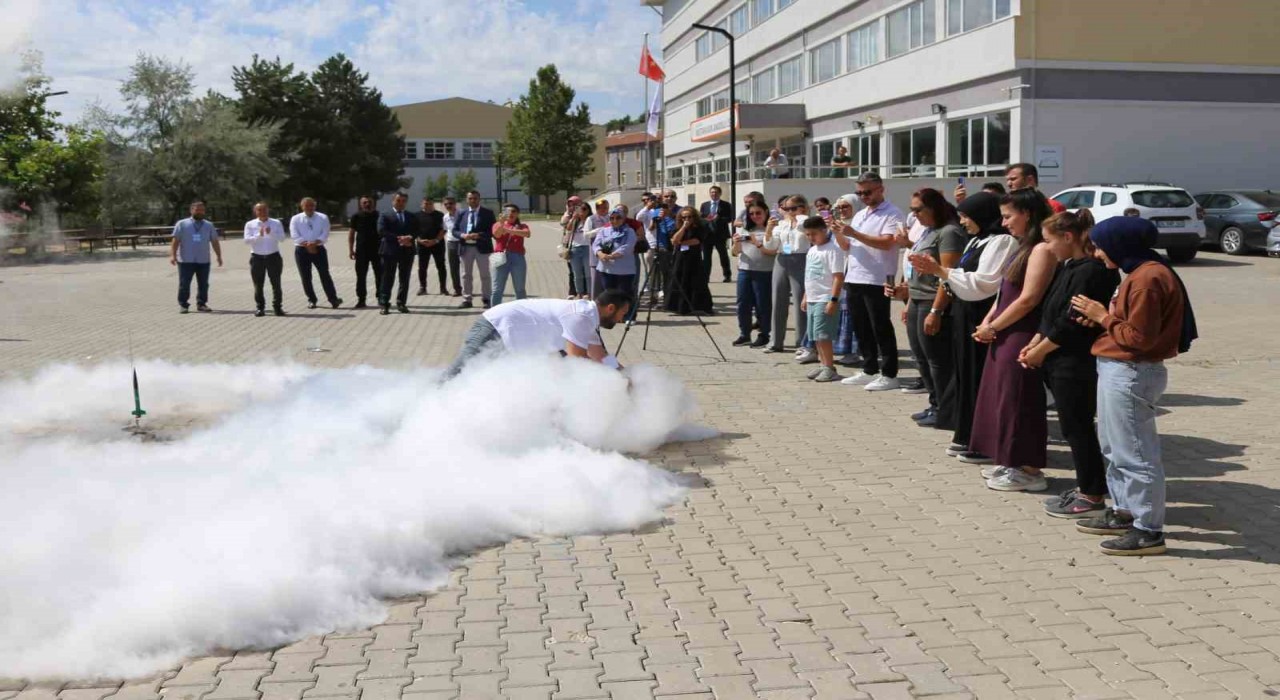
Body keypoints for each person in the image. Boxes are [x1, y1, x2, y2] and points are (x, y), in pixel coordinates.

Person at [1069, 216, 1197, 556]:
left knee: (1136, 454)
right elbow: (1130, 328)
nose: (1097, 254)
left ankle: (1148, 529)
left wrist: (1102, 317)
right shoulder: (1140, 273)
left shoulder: (1148, 278)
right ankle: (1125, 512)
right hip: (1119, 368)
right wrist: (1104, 322)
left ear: (1119, 244)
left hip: (1131, 371)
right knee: (1114, 447)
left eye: (1100, 246)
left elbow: (1140, 339)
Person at [1018, 210, 1120, 518]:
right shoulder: (1069, 267)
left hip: (1075, 361)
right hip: (1057, 357)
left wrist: (1042, 350)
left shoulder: (1091, 271)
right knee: (1070, 426)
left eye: (1049, 241)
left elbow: (1074, 322)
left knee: (1078, 428)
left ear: (1068, 237)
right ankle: (1086, 487)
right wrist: (1036, 341)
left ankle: (1091, 494)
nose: (1047, 248)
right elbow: (1052, 313)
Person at [910, 192, 1017, 465]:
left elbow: (985, 283)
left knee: (979, 378)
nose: (963, 222)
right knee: (966, 377)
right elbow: (961, 278)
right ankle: (968, 433)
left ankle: (984, 440)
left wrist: (941, 271)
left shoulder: (1001, 242)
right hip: (964, 314)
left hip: (982, 316)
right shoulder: (977, 240)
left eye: (966, 217)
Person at [964, 189, 1057, 492]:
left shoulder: (1041, 250)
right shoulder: (1021, 247)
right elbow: (1005, 294)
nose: (1004, 223)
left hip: (1021, 333)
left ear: (1027, 214)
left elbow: (1029, 299)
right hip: (1005, 331)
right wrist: (988, 321)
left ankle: (1029, 469)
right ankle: (1009, 460)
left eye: (1008, 216)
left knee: (1019, 400)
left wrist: (995, 326)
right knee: (1001, 399)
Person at [886, 189, 964, 427]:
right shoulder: (928, 232)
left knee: (938, 360)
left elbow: (947, 276)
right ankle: (935, 403)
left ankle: (947, 410)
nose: (915, 214)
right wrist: (905, 292)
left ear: (934, 207)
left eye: (918, 209)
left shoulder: (949, 232)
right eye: (912, 210)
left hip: (933, 301)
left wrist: (936, 311)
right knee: (921, 356)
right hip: (917, 299)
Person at [444, 290, 634, 380]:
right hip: (495, 326)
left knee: (484, 377)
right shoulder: (580, 317)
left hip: (511, 337)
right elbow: (578, 360)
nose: (621, 320)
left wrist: (625, 374)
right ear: (610, 308)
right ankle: (427, 405)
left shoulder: (588, 319)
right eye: (622, 314)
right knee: (459, 371)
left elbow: (600, 356)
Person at [831, 173, 904, 392]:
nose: (864, 196)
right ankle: (869, 368)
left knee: (880, 326)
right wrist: (839, 233)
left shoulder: (893, 213)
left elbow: (887, 243)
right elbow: (848, 246)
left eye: (868, 192)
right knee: (861, 326)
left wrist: (854, 232)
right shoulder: (861, 214)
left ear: (881, 189)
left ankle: (890, 374)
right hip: (855, 276)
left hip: (878, 279)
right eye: (860, 193)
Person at [801, 216, 848, 382]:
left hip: (825, 298)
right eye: (807, 234)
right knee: (815, 335)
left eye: (814, 233)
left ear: (824, 230)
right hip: (813, 297)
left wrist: (833, 300)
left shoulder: (833, 249)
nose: (811, 238)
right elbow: (809, 276)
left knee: (823, 335)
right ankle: (823, 364)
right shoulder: (812, 250)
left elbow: (838, 277)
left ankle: (830, 367)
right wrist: (806, 296)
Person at [762, 195, 810, 356]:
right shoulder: (781, 225)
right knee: (778, 301)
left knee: (800, 303)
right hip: (782, 259)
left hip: (801, 259)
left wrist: (798, 216)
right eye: (786, 208)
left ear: (802, 208)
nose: (789, 211)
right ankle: (775, 341)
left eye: (793, 208)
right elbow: (771, 245)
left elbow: (805, 229)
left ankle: (802, 343)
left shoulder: (807, 221)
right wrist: (768, 229)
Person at [731, 201, 776, 348]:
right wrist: (737, 242)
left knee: (762, 305)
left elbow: (775, 251)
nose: (755, 216)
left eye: (758, 213)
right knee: (743, 304)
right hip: (745, 270)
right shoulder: (745, 229)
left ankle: (764, 335)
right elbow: (735, 252)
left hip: (764, 272)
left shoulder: (773, 229)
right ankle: (745, 334)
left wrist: (757, 243)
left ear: (765, 212)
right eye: (752, 214)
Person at [169, 200, 223, 313]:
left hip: (203, 260)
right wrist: (173, 255)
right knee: (184, 284)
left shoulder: (209, 225)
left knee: (204, 284)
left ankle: (202, 304)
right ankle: (183, 305)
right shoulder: (182, 224)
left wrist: (219, 256)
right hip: (186, 260)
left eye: (202, 210)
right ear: (191, 210)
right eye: (197, 209)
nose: (200, 212)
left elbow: (214, 241)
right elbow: (175, 241)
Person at [289, 198, 343, 310]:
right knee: (306, 276)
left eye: (312, 206)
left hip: (319, 249)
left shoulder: (322, 217)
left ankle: (333, 299)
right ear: (302, 206)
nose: (309, 208)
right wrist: (307, 244)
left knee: (325, 274)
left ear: (315, 206)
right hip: (302, 250)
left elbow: (325, 233)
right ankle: (312, 300)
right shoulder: (295, 219)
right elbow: (294, 234)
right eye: (307, 206)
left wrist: (315, 243)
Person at [956, 163, 1064, 214]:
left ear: (1030, 179)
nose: (1009, 184)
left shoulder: (1053, 206)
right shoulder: (1006, 204)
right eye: (1007, 180)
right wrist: (962, 202)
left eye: (1013, 179)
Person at [666, 207, 714, 315]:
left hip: (694, 258)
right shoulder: (677, 227)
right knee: (679, 280)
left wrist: (681, 242)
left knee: (697, 281)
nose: (686, 219)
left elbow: (696, 241)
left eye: (689, 217)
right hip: (679, 258)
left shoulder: (700, 227)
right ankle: (679, 307)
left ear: (694, 217)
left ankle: (702, 306)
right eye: (684, 217)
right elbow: (674, 240)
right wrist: (683, 228)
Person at [376, 193, 418, 315]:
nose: (401, 203)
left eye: (403, 201)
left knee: (404, 278)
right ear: (393, 201)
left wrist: (410, 237)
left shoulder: (411, 216)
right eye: (398, 200)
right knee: (387, 278)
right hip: (390, 251)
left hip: (407, 250)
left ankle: (401, 303)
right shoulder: (385, 215)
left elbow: (417, 230)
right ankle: (384, 304)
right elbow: (381, 230)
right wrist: (399, 238)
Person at [244, 202, 287, 317]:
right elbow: (247, 241)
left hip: (273, 256)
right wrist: (259, 234)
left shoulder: (276, 223)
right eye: (259, 210)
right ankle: (260, 308)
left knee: (276, 283)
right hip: (257, 257)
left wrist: (271, 233)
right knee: (258, 284)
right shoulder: (250, 224)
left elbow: (282, 238)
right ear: (255, 211)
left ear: (268, 210)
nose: (262, 212)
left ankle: (277, 307)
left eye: (264, 210)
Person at [457, 190, 496, 309]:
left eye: (475, 198)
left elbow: (492, 231)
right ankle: (467, 299)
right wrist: (463, 235)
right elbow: (454, 230)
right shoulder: (461, 213)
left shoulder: (488, 213)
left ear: (479, 199)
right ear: (467, 200)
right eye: (470, 198)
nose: (472, 200)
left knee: (485, 275)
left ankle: (486, 299)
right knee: (466, 275)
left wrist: (479, 235)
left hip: (482, 248)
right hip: (466, 248)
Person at [490, 204, 531, 307]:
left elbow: (526, 234)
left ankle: (522, 312)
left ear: (517, 214)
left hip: (517, 258)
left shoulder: (522, 226)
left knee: (520, 289)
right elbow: (497, 234)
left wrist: (508, 230)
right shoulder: (497, 224)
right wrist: (501, 223)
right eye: (507, 212)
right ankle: (494, 312)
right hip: (499, 256)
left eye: (513, 211)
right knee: (497, 289)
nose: (511, 214)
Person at [592, 207, 638, 296]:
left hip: (624, 270)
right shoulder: (603, 231)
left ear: (623, 218)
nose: (615, 220)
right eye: (612, 218)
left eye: (618, 218)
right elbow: (595, 244)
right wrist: (600, 253)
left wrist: (612, 256)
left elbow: (628, 246)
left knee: (623, 296)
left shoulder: (629, 231)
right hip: (606, 269)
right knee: (609, 295)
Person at [348, 196, 382, 308]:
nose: (367, 204)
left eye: (369, 202)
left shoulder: (379, 215)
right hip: (361, 251)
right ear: (361, 204)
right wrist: (351, 249)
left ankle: (381, 298)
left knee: (380, 275)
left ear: (374, 203)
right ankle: (361, 299)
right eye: (365, 202)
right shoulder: (356, 216)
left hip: (378, 250)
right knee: (361, 276)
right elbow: (351, 234)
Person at [700, 185, 734, 283]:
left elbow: (730, 218)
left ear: (720, 193)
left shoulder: (726, 205)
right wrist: (706, 219)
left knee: (723, 256)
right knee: (706, 258)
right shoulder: (704, 205)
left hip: (720, 235)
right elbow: (701, 218)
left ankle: (727, 275)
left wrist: (718, 218)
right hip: (707, 235)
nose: (714, 194)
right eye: (712, 192)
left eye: (716, 192)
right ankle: (706, 277)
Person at [563, 201, 593, 300]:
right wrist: (573, 218)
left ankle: (589, 293)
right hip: (575, 248)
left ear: (589, 211)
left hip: (587, 248)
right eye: (580, 209)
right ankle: (579, 294)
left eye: (584, 209)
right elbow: (568, 228)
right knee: (577, 273)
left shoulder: (591, 220)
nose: (582, 211)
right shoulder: (576, 221)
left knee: (588, 273)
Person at [416, 197, 447, 296]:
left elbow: (443, 229)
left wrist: (436, 240)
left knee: (441, 266)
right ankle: (422, 287)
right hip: (422, 245)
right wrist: (419, 240)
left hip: (437, 244)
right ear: (422, 204)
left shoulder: (440, 215)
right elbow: (413, 230)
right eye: (425, 204)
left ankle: (443, 288)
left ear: (432, 204)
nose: (427, 205)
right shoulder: (416, 216)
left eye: (429, 204)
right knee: (422, 267)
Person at [650, 201, 677, 307]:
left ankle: (668, 300)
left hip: (672, 248)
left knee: (668, 275)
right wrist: (658, 219)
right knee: (656, 274)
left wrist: (669, 216)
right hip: (660, 248)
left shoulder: (675, 214)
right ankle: (654, 298)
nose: (663, 209)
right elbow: (651, 227)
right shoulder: (656, 213)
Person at [442, 197, 464, 297]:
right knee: (453, 267)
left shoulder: (463, 214)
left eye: (450, 203)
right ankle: (457, 289)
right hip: (451, 243)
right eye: (446, 204)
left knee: (466, 267)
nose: (448, 206)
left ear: (455, 204)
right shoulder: (445, 217)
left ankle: (468, 288)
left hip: (463, 241)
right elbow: (445, 230)